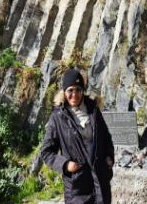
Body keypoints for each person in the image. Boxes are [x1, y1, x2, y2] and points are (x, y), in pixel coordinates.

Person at [40, 68, 114, 204]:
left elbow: (106, 137)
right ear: (64, 92)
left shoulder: (93, 110)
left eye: (78, 90)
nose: (75, 95)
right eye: (70, 90)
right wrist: (66, 165)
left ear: (83, 91)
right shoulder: (57, 118)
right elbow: (46, 152)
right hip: (77, 188)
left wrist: (109, 157)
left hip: (100, 182)